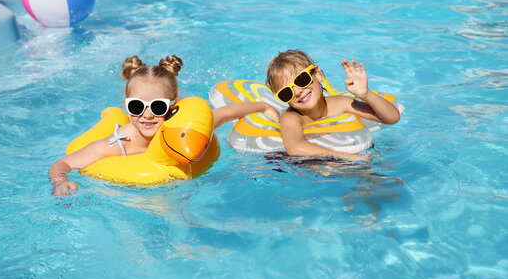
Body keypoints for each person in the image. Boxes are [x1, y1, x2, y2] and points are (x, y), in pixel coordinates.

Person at [49, 55, 279, 196]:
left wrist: (262, 107)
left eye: (157, 107)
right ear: (126, 105)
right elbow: (63, 163)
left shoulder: (186, 131)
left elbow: (225, 114)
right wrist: (61, 183)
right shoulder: (121, 143)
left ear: (173, 106)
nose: (147, 115)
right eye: (137, 107)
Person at [266, 50, 400, 161]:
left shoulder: (341, 103)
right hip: (310, 165)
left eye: (301, 80)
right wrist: (351, 158)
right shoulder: (291, 118)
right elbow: (295, 148)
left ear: (317, 74)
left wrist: (365, 94)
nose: (297, 92)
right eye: (286, 93)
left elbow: (392, 118)